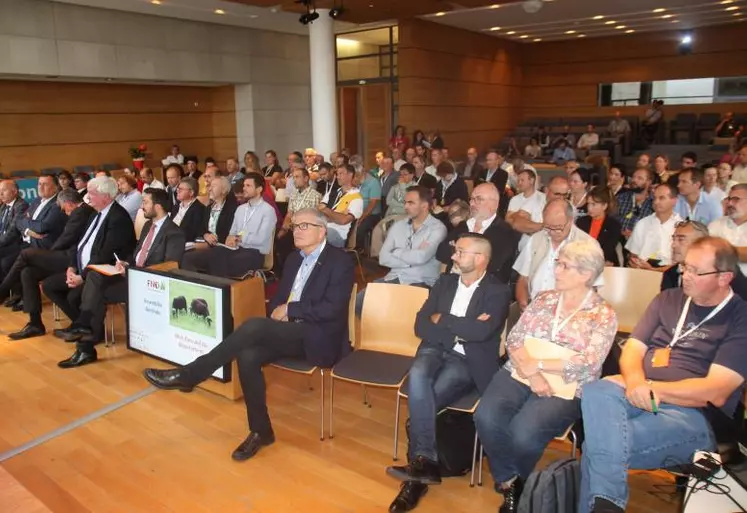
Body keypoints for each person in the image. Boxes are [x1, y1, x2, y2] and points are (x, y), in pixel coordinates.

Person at [143, 208, 354, 461]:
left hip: (318, 336)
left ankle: (191, 374)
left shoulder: (339, 261)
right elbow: (277, 298)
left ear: (322, 232)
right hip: (288, 331)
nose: (296, 231)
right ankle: (260, 431)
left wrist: (290, 309)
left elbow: (333, 308)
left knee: (254, 327)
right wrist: (278, 313)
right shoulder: (294, 259)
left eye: (304, 226)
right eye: (295, 226)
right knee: (248, 353)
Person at [578, 237, 747, 513]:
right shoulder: (668, 299)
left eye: (695, 271)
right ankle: (605, 506)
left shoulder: (741, 317)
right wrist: (634, 383)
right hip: (641, 395)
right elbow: (632, 349)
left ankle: (604, 505)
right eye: (684, 267)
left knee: (598, 447)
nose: (685, 275)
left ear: (724, 278)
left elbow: (715, 390)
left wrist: (650, 387)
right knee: (597, 390)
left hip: (694, 416)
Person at [476, 239, 617, 513]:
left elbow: (589, 364)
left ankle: (515, 486)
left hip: (566, 385)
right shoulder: (544, 298)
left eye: (565, 265)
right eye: (558, 263)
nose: (557, 270)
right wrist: (531, 370)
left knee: (522, 434)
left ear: (587, 274)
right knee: (485, 416)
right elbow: (515, 337)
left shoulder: (603, 315)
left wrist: (538, 365)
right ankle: (511, 482)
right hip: (520, 370)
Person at [386, 234, 511, 512]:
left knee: (425, 401)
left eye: (460, 252)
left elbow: (482, 332)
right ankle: (425, 463)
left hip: (466, 362)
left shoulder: (498, 291)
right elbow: (420, 325)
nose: (452, 256)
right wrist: (457, 332)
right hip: (435, 349)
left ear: (480, 259)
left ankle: (417, 477)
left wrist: (443, 319)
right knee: (418, 373)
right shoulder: (444, 282)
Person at [58, 188, 185, 367]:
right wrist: (125, 263)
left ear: (158, 206)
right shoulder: (149, 226)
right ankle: (85, 345)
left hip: (151, 284)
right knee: (95, 280)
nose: (141, 207)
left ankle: (84, 340)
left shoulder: (174, 233)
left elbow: (170, 267)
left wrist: (135, 271)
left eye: (146, 202)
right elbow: (138, 254)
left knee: (94, 288)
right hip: (132, 278)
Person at [18, 178, 136, 341]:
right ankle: (81, 326)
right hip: (81, 268)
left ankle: (91, 331)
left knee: (73, 296)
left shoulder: (118, 218)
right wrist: (72, 268)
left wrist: (82, 276)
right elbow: (79, 244)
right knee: (48, 284)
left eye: (92, 193)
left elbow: (104, 255)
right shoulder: (96, 213)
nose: (88, 197)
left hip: (102, 273)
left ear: (106, 196)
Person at [356, 186, 447, 316]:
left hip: (421, 282)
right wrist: (411, 260)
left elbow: (421, 257)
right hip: (395, 277)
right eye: (405, 202)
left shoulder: (437, 228)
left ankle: (396, 333)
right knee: (358, 302)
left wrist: (396, 251)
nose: (405, 207)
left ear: (424, 206)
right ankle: (379, 333)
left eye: (411, 203)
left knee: (398, 311)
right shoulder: (398, 226)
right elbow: (383, 258)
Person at [0, 189, 92, 308]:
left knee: (25, 254)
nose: (64, 212)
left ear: (69, 204)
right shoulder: (78, 211)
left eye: (64, 209)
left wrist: (49, 253)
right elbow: (20, 221)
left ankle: (2, 290)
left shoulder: (80, 212)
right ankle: (35, 322)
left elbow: (66, 238)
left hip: (71, 256)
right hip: (68, 252)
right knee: (27, 272)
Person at [182, 173, 276, 278]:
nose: (244, 188)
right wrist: (230, 238)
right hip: (235, 249)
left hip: (255, 253)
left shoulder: (268, 211)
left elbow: (261, 239)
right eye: (244, 185)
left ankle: (223, 290)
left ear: (259, 189)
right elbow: (231, 233)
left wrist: (238, 238)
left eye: (248, 186)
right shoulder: (241, 209)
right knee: (205, 255)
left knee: (219, 259)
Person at [514, 199, 600, 310]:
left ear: (570, 221)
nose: (552, 232)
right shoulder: (536, 239)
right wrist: (523, 303)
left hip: (567, 312)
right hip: (533, 308)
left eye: (558, 227)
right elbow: (523, 279)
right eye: (548, 227)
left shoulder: (588, 245)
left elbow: (592, 290)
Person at [437, 183, 520, 285]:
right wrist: (468, 255)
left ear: (494, 204)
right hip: (452, 283)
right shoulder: (464, 225)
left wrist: (456, 249)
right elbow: (441, 252)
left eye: (478, 199)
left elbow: (491, 266)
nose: (472, 203)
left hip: (484, 289)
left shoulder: (505, 232)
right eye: (471, 199)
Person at [626, 183, 681, 270]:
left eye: (662, 198)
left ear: (674, 200)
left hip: (670, 273)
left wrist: (654, 270)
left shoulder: (681, 226)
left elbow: (682, 263)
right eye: (654, 198)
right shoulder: (643, 223)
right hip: (643, 270)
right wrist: (637, 264)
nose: (656, 202)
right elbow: (633, 254)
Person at [317, 164, 363, 248]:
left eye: (341, 173)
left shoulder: (357, 198)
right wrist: (337, 215)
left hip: (339, 234)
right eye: (337, 174)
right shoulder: (332, 193)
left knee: (316, 236)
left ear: (350, 175)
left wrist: (327, 211)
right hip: (324, 228)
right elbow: (319, 211)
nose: (337, 177)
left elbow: (344, 221)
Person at [576, 187, 622, 266]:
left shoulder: (614, 225)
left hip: (606, 264)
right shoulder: (581, 222)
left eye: (594, 204)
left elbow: (607, 250)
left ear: (604, 206)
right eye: (588, 204)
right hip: (582, 262)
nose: (589, 208)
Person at [709, 184, 747, 275]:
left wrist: (721, 252)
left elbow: (713, 252)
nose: (730, 203)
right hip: (719, 282)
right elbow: (707, 252)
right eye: (729, 199)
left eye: (736, 199)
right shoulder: (716, 225)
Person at [506, 169, 546, 251]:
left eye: (522, 180)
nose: (519, 183)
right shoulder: (515, 199)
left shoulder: (542, 198)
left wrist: (516, 216)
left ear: (531, 181)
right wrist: (520, 214)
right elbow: (508, 219)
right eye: (518, 180)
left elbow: (541, 221)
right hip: (515, 237)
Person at [0, 180, 30, 279]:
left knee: (5, 263)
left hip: (17, 243)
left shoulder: (21, 206)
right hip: (5, 242)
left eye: (4, 190)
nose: (0, 194)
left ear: (14, 192)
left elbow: (13, 231)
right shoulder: (4, 206)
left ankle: (15, 291)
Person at [616, 168, 654, 240]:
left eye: (640, 178)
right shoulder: (620, 198)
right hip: (619, 239)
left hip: (643, 242)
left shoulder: (653, 202)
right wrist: (620, 232)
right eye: (633, 177)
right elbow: (611, 221)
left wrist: (636, 234)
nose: (634, 180)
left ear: (649, 182)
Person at [355, 161, 383, 252]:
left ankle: (359, 250)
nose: (355, 178)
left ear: (363, 172)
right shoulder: (356, 182)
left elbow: (372, 204)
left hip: (372, 214)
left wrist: (362, 217)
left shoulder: (373, 182)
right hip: (356, 212)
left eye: (357, 175)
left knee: (359, 227)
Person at [171, 177, 204, 243]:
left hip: (184, 244)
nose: (177, 191)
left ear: (191, 192)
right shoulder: (176, 207)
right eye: (178, 188)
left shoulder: (199, 209)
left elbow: (193, 234)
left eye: (181, 189)